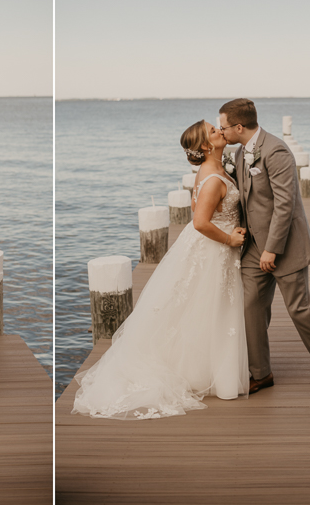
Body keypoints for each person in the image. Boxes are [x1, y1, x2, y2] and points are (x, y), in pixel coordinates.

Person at [72, 120, 249, 419]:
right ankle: (200, 373)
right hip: (213, 249)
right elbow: (200, 222)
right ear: (206, 146)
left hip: (213, 252)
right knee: (207, 308)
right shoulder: (214, 177)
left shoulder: (218, 170)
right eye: (213, 131)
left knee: (202, 309)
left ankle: (201, 370)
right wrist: (230, 238)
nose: (220, 130)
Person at [218, 98, 310, 400]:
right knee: (250, 305)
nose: (221, 131)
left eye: (223, 126)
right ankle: (261, 372)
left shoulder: (276, 150)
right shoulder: (240, 152)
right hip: (254, 245)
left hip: (284, 246)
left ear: (239, 126)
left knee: (299, 310)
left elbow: (286, 204)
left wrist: (272, 249)